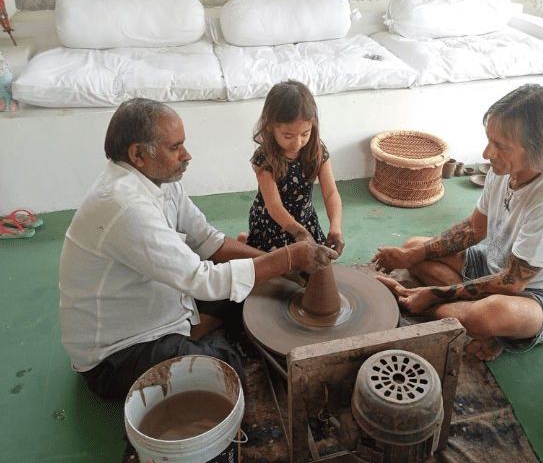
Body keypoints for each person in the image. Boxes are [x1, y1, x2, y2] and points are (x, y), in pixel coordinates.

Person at [59, 98, 338, 400]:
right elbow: (201, 279)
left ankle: (197, 333)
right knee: (225, 366)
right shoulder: (125, 207)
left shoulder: (161, 181)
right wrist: (286, 258)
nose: (186, 155)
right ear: (138, 154)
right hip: (118, 353)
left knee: (254, 287)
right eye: (175, 147)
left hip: (162, 305)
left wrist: (279, 267)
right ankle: (201, 341)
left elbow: (208, 241)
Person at [372, 84, 543, 362]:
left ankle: (418, 304)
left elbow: (513, 284)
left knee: (491, 315)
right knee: (415, 248)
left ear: (540, 148)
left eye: (500, 146)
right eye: (489, 140)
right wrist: (410, 256)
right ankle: (469, 321)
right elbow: (473, 229)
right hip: (499, 266)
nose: (486, 153)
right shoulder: (505, 168)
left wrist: (434, 295)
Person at [238, 80, 345, 256]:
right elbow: (274, 206)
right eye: (288, 135)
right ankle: (243, 244)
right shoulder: (264, 158)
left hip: (305, 220)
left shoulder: (317, 150)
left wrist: (335, 228)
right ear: (271, 126)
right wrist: (299, 233)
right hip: (272, 224)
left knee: (314, 270)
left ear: (313, 125)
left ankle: (244, 245)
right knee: (275, 272)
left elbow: (330, 193)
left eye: (305, 134)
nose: (297, 143)